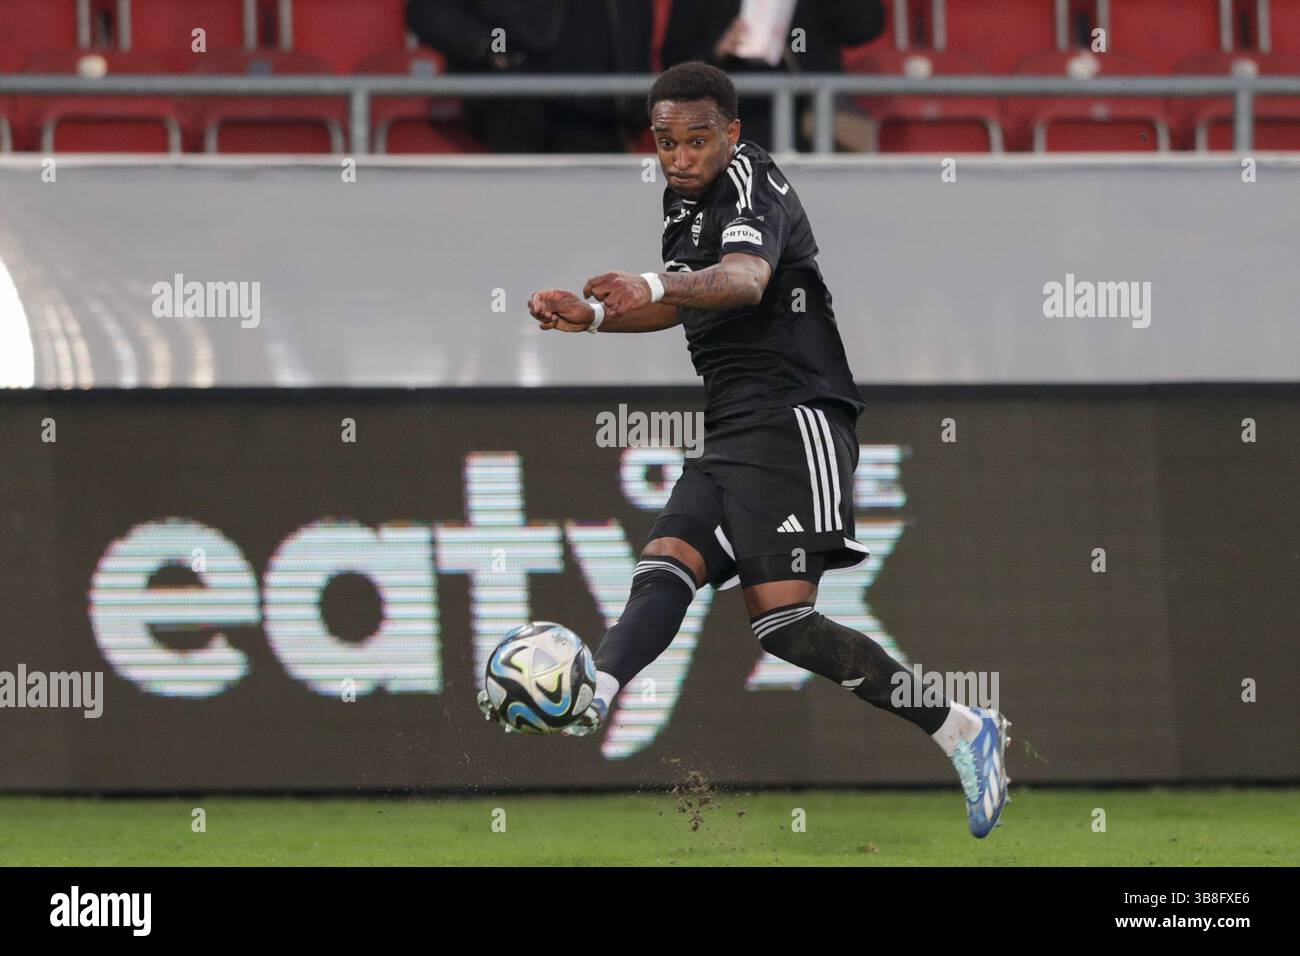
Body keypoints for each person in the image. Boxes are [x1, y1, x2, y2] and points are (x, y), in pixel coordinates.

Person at [483, 61, 1011, 838]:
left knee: (783, 625)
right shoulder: (682, 202)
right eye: (666, 142)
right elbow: (681, 302)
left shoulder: (753, 182)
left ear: (732, 133)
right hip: (733, 424)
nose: (681, 156)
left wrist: (654, 283)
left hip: (795, 416)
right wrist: (594, 317)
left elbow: (744, 279)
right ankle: (596, 689)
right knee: (665, 560)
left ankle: (962, 730)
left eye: (698, 140)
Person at [405, 0, 653, 152]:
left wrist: (634, 112)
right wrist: (494, 48)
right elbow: (429, 10)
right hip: (518, 115)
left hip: (603, 122)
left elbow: (633, 32)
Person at [662, 0, 886, 151]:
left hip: (812, 129)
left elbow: (866, 25)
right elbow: (674, 60)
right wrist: (717, 51)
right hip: (736, 130)